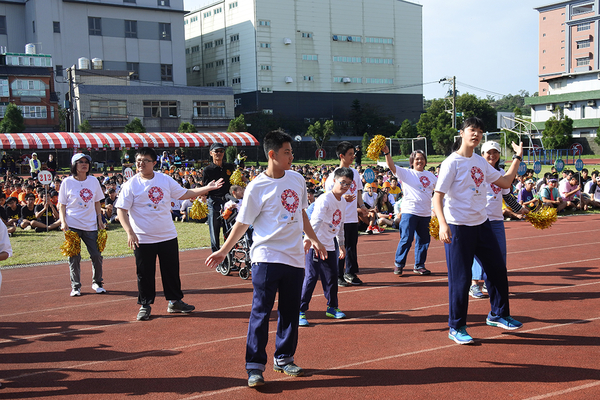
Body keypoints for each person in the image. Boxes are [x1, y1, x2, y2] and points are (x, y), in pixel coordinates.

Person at [205, 130, 326, 388]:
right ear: (272, 155)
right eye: (287, 152)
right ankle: (255, 367)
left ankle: (284, 358)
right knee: (261, 312)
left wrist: (313, 238)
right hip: (266, 256)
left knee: (290, 312)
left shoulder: (296, 180)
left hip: (294, 257)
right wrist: (224, 250)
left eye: (291, 152)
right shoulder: (257, 187)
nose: (291, 156)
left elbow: (302, 213)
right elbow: (241, 223)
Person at [432, 117, 524, 345]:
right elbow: (438, 196)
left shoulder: (481, 162)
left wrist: (517, 158)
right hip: (458, 226)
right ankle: (456, 327)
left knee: (497, 269)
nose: (476, 134)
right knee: (461, 279)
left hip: (481, 224)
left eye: (480, 131)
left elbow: (504, 183)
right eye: (472, 130)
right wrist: (443, 224)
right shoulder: (451, 162)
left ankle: (498, 314)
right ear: (462, 133)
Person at [116, 147, 223, 321]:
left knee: (171, 271)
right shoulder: (131, 184)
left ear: (154, 163)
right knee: (145, 272)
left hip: (167, 235)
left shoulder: (164, 179)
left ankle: (175, 302)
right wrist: (129, 232)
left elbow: (184, 194)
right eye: (138, 161)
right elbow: (121, 210)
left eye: (145, 161)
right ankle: (145, 305)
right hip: (143, 237)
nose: (141, 164)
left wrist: (206, 188)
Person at [469, 141, 527, 299]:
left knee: (499, 252)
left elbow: (507, 196)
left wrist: (519, 209)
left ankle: (490, 282)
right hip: (479, 219)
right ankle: (474, 284)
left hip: (496, 220)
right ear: (482, 154)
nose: (492, 155)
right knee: (478, 253)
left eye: (495, 152)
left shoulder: (502, 172)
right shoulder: (477, 171)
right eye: (488, 152)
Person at [299, 167, 353, 326]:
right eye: (342, 182)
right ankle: (300, 310)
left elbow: (340, 224)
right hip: (316, 243)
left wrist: (341, 244)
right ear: (334, 181)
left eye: (348, 184)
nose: (345, 186)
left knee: (332, 277)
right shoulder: (324, 199)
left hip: (329, 245)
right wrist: (309, 240)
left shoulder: (342, 201)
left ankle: (332, 307)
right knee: (311, 277)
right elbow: (315, 221)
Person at [382, 146, 437, 276]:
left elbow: (440, 191)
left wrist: (435, 209)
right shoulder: (407, 173)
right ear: (412, 161)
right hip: (409, 212)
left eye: (422, 159)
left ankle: (419, 265)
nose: (420, 161)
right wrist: (387, 153)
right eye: (417, 159)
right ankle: (399, 264)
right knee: (406, 238)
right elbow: (391, 166)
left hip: (425, 213)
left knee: (424, 240)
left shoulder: (431, 176)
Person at [58, 153, 107, 297]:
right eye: (80, 162)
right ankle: (76, 286)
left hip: (90, 225)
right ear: (74, 165)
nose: (84, 164)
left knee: (96, 255)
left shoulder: (93, 181)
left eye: (86, 162)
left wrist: (100, 220)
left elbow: (97, 201)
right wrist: (63, 222)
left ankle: (97, 282)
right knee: (74, 257)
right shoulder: (67, 182)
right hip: (72, 224)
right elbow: (62, 205)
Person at [324, 141, 368, 287]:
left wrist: (362, 206)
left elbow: (359, 192)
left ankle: (350, 272)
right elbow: (328, 196)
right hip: (338, 218)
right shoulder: (333, 177)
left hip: (352, 217)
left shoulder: (355, 173)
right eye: (350, 154)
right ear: (341, 156)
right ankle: (338, 274)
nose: (353, 156)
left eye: (353, 153)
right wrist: (342, 198)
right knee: (339, 246)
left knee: (351, 246)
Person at [203, 143, 235, 252]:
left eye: (221, 151)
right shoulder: (208, 170)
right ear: (211, 153)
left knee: (229, 230)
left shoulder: (229, 167)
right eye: (216, 151)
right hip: (214, 202)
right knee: (214, 230)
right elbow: (205, 188)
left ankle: (230, 258)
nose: (219, 153)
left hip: (227, 202)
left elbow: (234, 182)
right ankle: (218, 260)